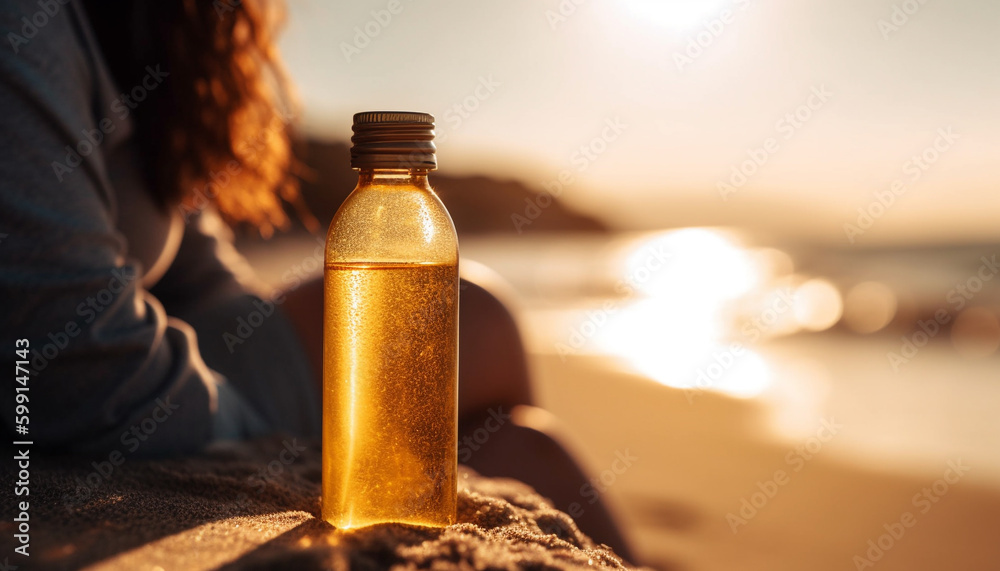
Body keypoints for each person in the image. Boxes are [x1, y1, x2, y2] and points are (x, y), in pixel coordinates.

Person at [0, 0, 632, 559]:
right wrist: (305, 443)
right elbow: (56, 343)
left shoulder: (140, 25)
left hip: (149, 345)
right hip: (77, 372)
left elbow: (195, 262)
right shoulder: (26, 24)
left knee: (521, 445)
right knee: (487, 347)